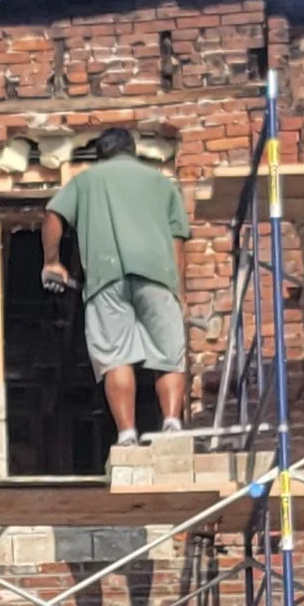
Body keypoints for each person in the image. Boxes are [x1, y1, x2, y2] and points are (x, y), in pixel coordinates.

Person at [41, 127, 193, 447]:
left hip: (106, 277)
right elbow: (177, 240)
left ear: (100, 154)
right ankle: (172, 425)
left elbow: (53, 214)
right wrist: (178, 290)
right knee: (168, 355)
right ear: (133, 151)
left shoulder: (85, 181)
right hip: (157, 275)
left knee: (116, 357)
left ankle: (126, 434)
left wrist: (52, 260)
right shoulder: (161, 184)